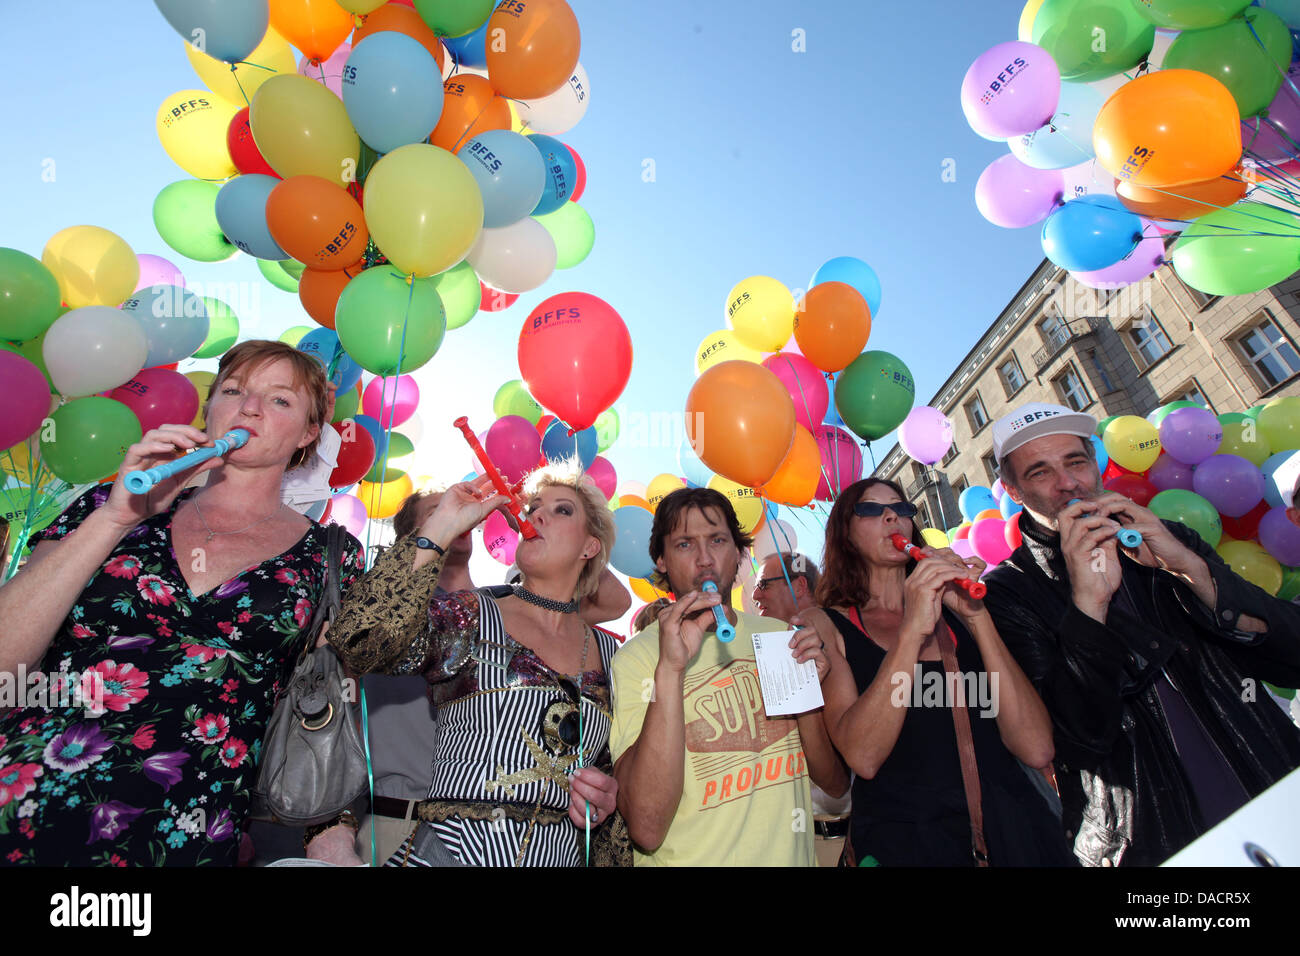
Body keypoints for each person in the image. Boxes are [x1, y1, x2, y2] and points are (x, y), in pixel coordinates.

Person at [0, 340, 364, 866]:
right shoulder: (109, 504)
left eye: (280, 400)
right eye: (233, 391)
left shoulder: (332, 557)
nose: (250, 408)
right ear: (210, 408)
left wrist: (331, 833)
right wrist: (115, 520)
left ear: (310, 433)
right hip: (24, 797)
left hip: (183, 831)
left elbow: (329, 704)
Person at [984, 402, 1300, 866]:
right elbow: (1076, 739)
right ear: (1013, 490)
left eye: (1075, 462)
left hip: (1267, 779)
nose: (1068, 483)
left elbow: (1289, 657)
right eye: (1040, 472)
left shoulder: (1164, 536)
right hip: (1148, 834)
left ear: (1095, 462)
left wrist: (1189, 567)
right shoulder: (1008, 592)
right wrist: (1088, 605)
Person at [309, 486, 631, 865]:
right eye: (532, 508)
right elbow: (358, 638)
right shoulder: (469, 615)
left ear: (590, 548)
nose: (536, 516)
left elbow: (616, 776)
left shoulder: (614, 659)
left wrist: (606, 797)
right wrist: (441, 525)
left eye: (562, 511)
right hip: (451, 852)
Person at [796, 478, 1069, 867]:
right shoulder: (826, 624)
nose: (892, 515)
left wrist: (977, 619)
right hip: (908, 844)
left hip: (1016, 834)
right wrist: (912, 629)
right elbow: (864, 755)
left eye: (901, 508)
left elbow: (1037, 747)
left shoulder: (956, 608)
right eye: (871, 509)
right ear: (846, 535)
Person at [610, 487, 849, 866]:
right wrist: (670, 670)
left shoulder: (776, 636)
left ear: (738, 554)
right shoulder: (636, 659)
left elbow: (834, 784)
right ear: (661, 560)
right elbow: (646, 826)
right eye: (685, 544)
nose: (706, 560)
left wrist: (806, 695)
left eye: (718, 540)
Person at [752, 550, 851, 867]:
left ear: (798, 585)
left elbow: (837, 785)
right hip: (801, 847)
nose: (755, 595)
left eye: (764, 584)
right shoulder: (765, 652)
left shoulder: (849, 635)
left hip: (862, 840)